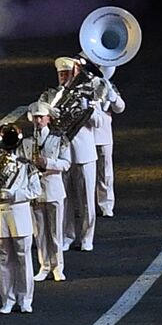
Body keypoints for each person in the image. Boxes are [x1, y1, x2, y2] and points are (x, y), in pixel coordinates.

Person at [0, 125, 42, 314]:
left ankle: (25, 299)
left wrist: (14, 194)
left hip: (18, 213)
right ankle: (7, 299)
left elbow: (36, 191)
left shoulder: (26, 166)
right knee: (3, 259)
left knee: (23, 258)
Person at [42, 57, 97, 252]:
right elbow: (36, 117)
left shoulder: (88, 93)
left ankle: (87, 237)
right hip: (59, 154)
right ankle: (67, 235)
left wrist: (87, 106)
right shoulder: (50, 96)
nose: (64, 77)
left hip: (84, 153)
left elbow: (97, 122)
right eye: (61, 74)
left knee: (86, 200)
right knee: (63, 198)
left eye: (67, 74)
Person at [22, 102, 71, 282]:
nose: (38, 120)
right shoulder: (26, 142)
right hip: (34, 191)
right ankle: (44, 265)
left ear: (49, 118)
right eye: (35, 117)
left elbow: (66, 163)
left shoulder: (59, 139)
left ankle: (58, 266)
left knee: (56, 231)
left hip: (54, 189)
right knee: (40, 233)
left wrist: (48, 163)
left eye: (41, 117)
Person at [93, 73, 126, 217]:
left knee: (105, 172)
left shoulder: (107, 85)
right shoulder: (81, 87)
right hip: (84, 136)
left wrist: (112, 96)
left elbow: (120, 108)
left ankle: (106, 205)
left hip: (104, 135)